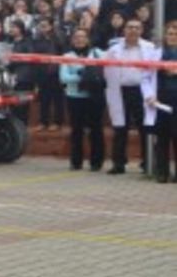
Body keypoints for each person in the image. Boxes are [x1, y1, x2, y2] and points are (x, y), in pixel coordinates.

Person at [103, 17, 160, 174]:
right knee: (120, 128)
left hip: (143, 92)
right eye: (130, 27)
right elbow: (107, 72)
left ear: (141, 30)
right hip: (121, 91)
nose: (133, 30)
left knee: (146, 127)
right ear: (124, 30)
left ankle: (147, 162)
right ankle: (119, 163)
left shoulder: (150, 48)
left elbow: (154, 73)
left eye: (136, 27)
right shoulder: (114, 50)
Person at [59, 28, 106, 171]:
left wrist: (83, 74)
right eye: (76, 37)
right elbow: (64, 78)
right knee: (76, 130)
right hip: (74, 98)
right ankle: (76, 161)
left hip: (95, 97)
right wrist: (84, 75)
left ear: (88, 39)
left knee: (96, 130)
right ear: (72, 40)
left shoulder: (98, 53)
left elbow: (106, 72)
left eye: (83, 36)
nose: (79, 39)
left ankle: (96, 162)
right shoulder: (67, 56)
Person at [149, 21, 177, 182]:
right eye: (170, 34)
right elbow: (148, 76)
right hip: (160, 99)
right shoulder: (157, 53)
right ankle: (162, 172)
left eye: (176, 34)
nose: (173, 37)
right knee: (162, 137)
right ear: (165, 36)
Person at [32, 17, 66, 131]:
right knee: (44, 100)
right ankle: (43, 122)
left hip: (56, 73)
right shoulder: (37, 40)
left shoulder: (59, 39)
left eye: (45, 25)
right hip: (43, 73)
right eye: (41, 25)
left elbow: (63, 55)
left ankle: (58, 122)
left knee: (57, 100)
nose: (42, 27)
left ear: (51, 26)